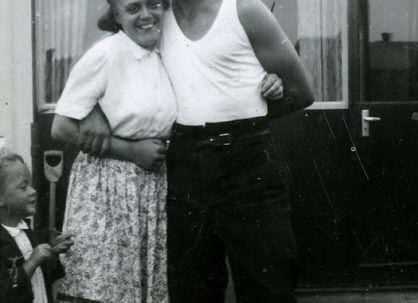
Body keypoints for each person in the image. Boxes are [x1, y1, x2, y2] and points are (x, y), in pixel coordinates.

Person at [80, 0, 314, 302]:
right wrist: (91, 110)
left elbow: (303, 92)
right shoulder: (158, 16)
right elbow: (109, 56)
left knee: (268, 285)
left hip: (248, 163)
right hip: (185, 163)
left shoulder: (244, 9)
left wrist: (248, 108)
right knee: (191, 288)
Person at [0, 150, 74, 303]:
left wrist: (52, 252)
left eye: (31, 185)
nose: (33, 191)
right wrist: (32, 262)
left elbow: (43, 278)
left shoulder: (28, 233)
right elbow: (4, 292)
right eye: (23, 187)